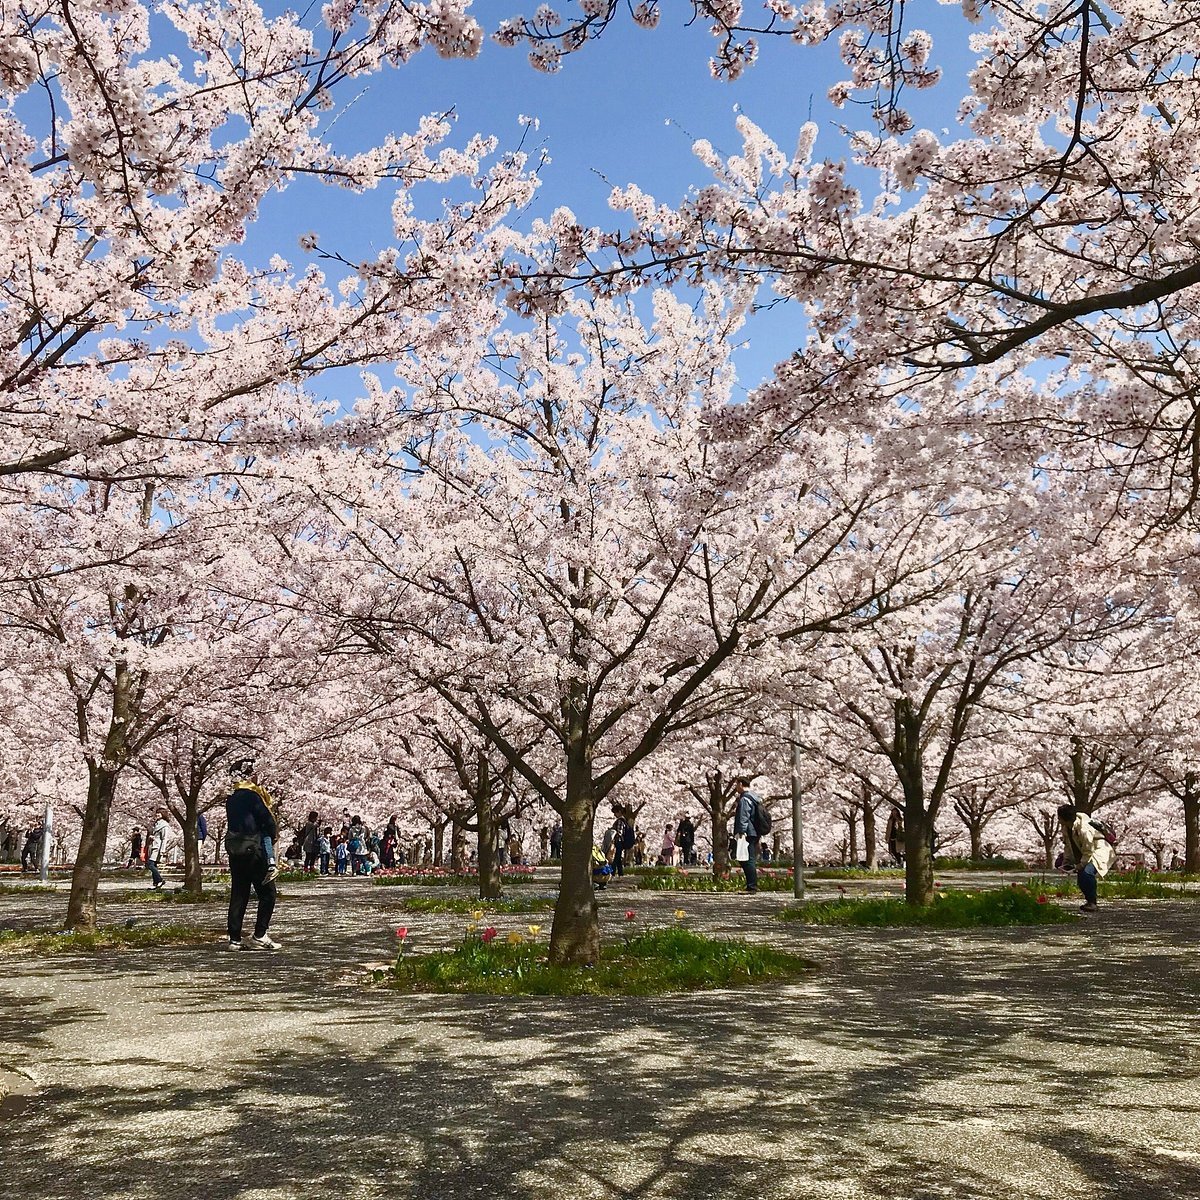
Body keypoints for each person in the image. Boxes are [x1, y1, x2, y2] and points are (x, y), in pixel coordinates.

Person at [223, 760, 282, 950]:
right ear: (249, 775)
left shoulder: (231, 798)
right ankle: (260, 934)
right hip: (254, 851)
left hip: (235, 850)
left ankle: (234, 939)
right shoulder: (253, 797)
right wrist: (271, 836)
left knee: (239, 893)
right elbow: (267, 821)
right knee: (268, 893)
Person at [1058, 804, 1116, 914]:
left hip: (1100, 850)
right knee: (1082, 876)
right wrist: (1067, 860)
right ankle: (1089, 901)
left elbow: (1089, 849)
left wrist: (1080, 864)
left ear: (1063, 818)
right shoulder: (1067, 827)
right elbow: (1068, 845)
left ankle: (1092, 903)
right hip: (1088, 851)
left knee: (1087, 872)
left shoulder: (1084, 828)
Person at [732, 777, 762, 894]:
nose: (736, 787)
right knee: (749, 858)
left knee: (747, 859)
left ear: (740, 784)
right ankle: (751, 885)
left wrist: (741, 832)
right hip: (754, 831)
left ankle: (752, 886)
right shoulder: (754, 797)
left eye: (736, 785)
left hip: (748, 832)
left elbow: (744, 816)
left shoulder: (745, 799)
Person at [146, 808, 172, 890]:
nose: (157, 815)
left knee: (150, 864)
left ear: (163, 815)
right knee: (154, 865)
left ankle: (160, 880)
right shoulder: (156, 824)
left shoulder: (164, 825)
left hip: (158, 847)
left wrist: (163, 850)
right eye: (157, 813)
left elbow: (164, 838)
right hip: (153, 846)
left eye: (159, 813)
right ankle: (156, 883)